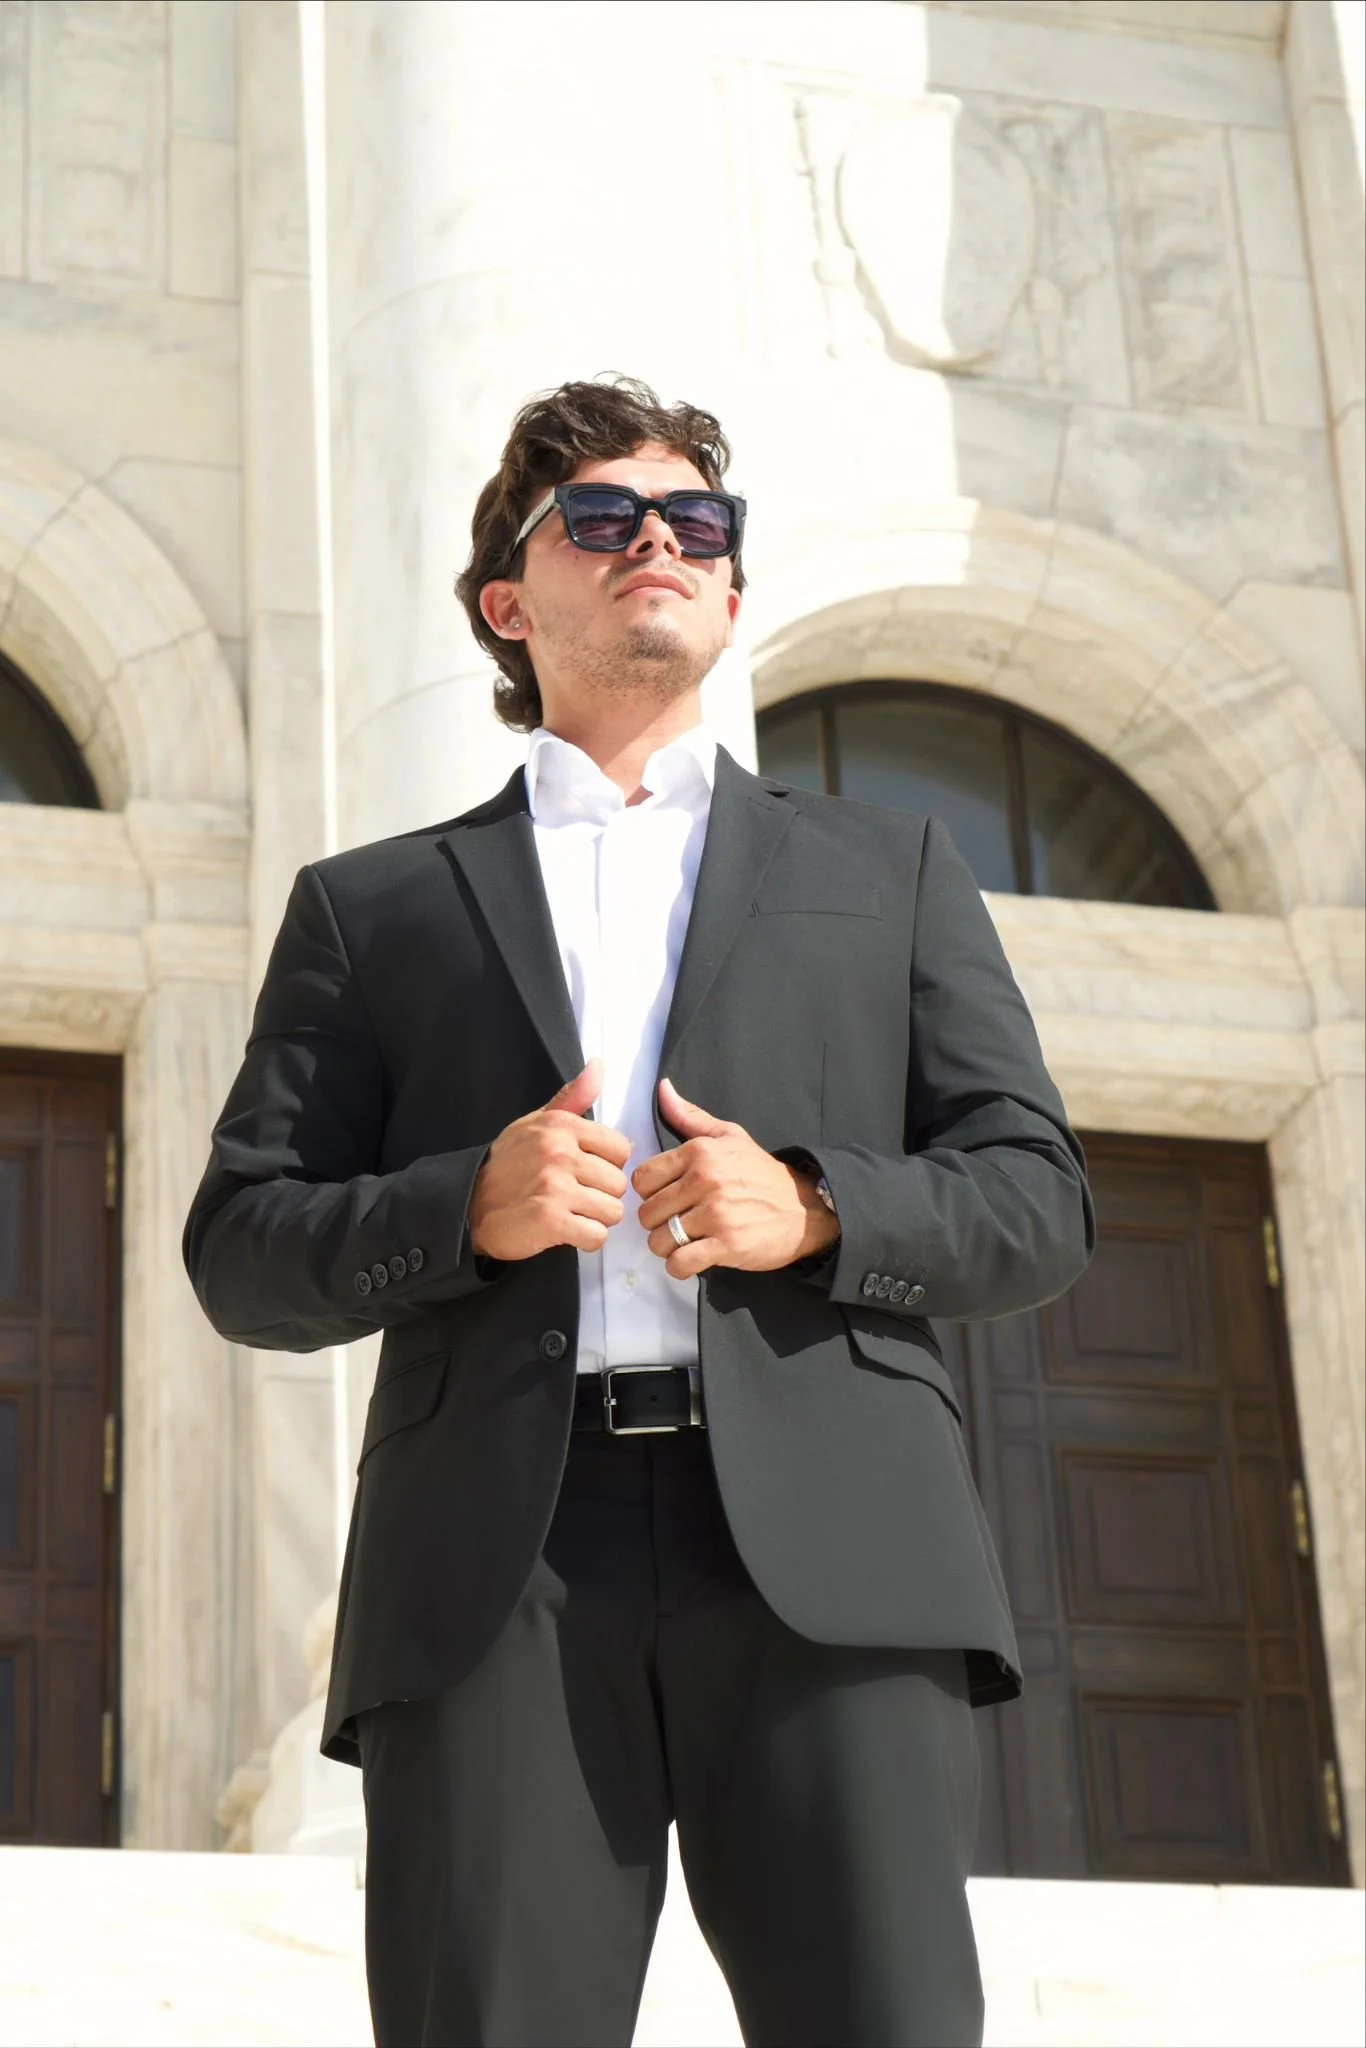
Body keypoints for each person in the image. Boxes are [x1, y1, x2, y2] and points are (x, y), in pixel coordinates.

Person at [184, 375, 1093, 2048]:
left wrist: (813, 1209)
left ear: (733, 595)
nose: (658, 540)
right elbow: (243, 1252)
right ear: (511, 605)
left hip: (835, 1552)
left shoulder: (891, 869)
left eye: (697, 523)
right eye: (602, 518)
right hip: (494, 1568)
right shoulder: (369, 907)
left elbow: (1036, 1202)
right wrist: (468, 1204)